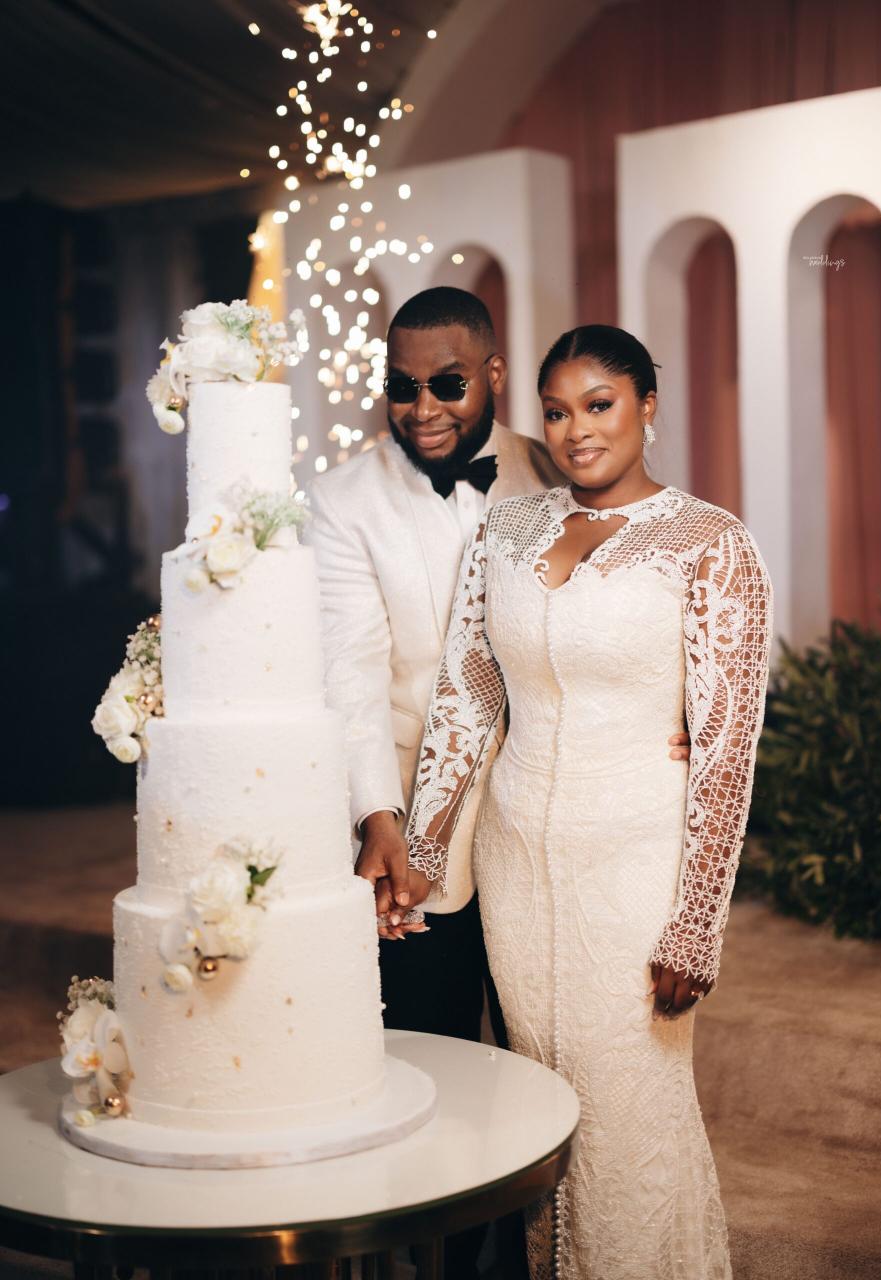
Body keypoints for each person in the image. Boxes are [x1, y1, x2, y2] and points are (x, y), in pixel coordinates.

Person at [309, 293, 691, 1278]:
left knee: (551, 1066)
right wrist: (380, 815)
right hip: (410, 826)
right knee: (431, 1058)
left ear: (490, 374)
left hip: (557, 826)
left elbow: (645, 599)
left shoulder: (557, 457)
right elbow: (350, 673)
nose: (421, 408)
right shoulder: (340, 500)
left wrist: (673, 717)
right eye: (400, 388)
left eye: (445, 384)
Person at [390, 324, 773, 1280]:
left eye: (599, 405)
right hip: (516, 861)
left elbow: (725, 752)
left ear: (647, 405)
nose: (576, 431)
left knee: (629, 1106)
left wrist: (696, 924)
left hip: (636, 860)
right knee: (541, 1101)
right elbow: (468, 693)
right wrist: (425, 850)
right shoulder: (506, 531)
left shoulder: (710, 544)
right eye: (556, 413)